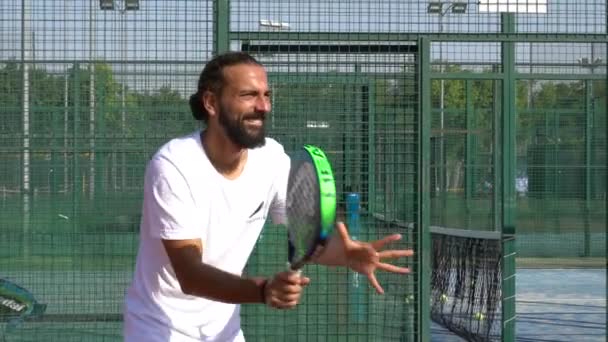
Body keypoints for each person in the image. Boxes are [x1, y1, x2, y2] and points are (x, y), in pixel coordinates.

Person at [123, 51, 414, 342]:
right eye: (248, 95)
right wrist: (263, 291)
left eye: (266, 95)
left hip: (223, 329)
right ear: (211, 103)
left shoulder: (271, 158)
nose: (263, 106)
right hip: (158, 329)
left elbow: (307, 235)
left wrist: (346, 254)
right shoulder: (174, 165)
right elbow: (191, 274)